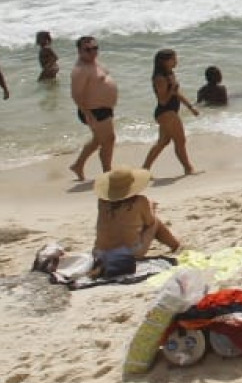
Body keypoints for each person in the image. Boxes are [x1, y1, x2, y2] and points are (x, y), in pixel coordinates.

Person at [93, 166, 182, 260]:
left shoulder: (102, 202)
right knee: (155, 222)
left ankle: (175, 245)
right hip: (129, 255)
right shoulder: (140, 201)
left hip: (99, 254)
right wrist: (151, 207)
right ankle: (175, 245)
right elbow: (149, 222)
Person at [140, 48, 198, 175]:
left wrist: (190, 106)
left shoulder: (170, 73)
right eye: (173, 59)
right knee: (180, 141)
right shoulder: (160, 78)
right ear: (164, 61)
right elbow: (163, 101)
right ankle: (188, 168)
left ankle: (144, 169)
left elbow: (176, 93)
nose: (176, 61)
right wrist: (171, 87)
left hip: (170, 112)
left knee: (163, 142)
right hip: (166, 112)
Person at [68, 36, 117, 181]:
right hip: (94, 110)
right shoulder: (80, 69)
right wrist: (87, 114)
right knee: (108, 140)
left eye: (95, 48)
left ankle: (78, 165)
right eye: (88, 49)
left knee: (98, 140)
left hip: (103, 108)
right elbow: (76, 95)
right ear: (79, 51)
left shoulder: (94, 63)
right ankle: (107, 173)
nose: (92, 52)